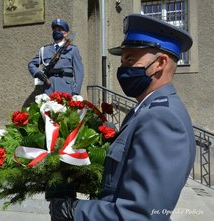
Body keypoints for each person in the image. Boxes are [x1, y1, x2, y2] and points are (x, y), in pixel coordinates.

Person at [49, 14, 196, 221]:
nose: (123, 68)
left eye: (131, 59)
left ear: (160, 63)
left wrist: (74, 211)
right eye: (122, 60)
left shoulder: (161, 118)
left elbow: (140, 215)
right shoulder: (145, 110)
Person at [28, 18, 84, 95]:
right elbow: (31, 64)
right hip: (49, 89)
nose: (56, 31)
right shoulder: (45, 50)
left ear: (65, 33)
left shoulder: (72, 49)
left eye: (60, 29)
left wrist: (75, 91)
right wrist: (38, 74)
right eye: (55, 29)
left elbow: (79, 72)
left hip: (66, 89)